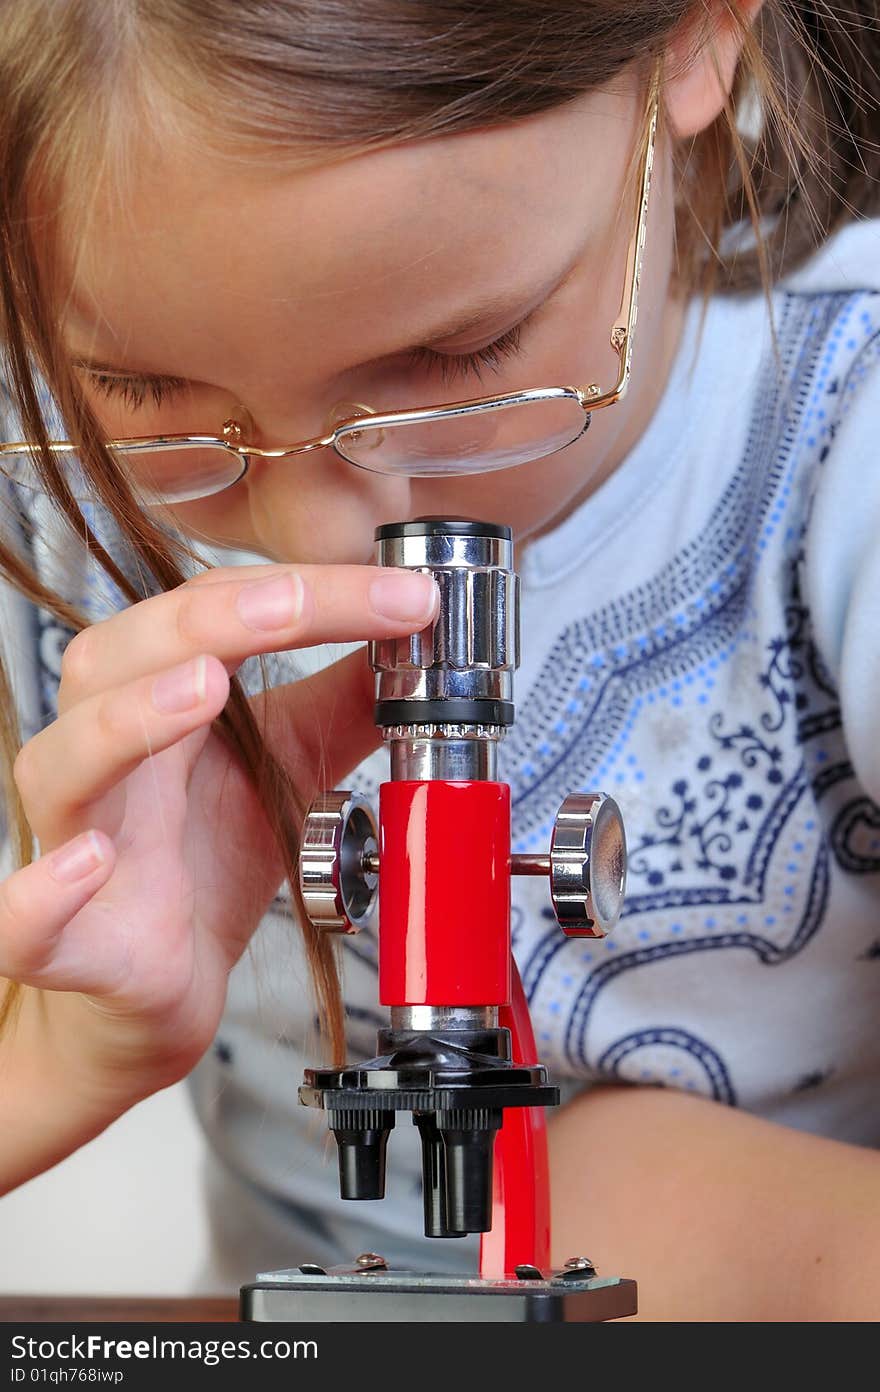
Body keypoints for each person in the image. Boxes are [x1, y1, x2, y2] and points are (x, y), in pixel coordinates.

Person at [0, 0, 878, 1321]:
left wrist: (662, 1206)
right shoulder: (45, 465)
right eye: (146, 395)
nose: (329, 541)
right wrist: (55, 1067)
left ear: (697, 39)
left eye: (458, 359)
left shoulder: (841, 433)